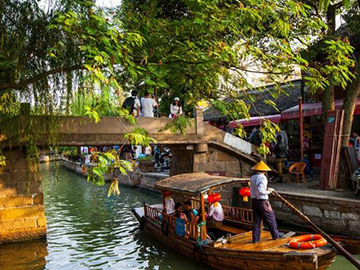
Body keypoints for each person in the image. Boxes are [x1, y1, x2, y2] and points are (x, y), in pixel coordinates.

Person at [250, 160, 279, 243]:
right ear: (264, 171)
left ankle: (255, 239)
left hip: (254, 200)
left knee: (256, 221)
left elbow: (255, 189)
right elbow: (260, 190)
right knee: (271, 218)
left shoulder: (253, 177)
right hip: (263, 201)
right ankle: (276, 236)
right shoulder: (262, 178)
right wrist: (269, 191)